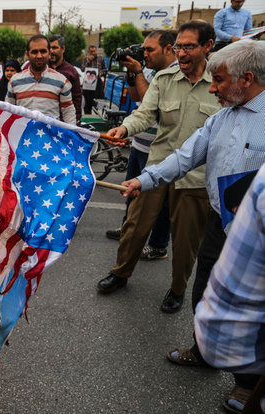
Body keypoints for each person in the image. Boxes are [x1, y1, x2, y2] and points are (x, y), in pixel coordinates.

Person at [119, 39, 265, 414]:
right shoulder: (220, 118)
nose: (211, 87)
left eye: (218, 80)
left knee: (251, 310)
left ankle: (248, 384)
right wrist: (143, 180)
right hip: (220, 223)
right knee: (206, 291)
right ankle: (204, 350)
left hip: (258, 236)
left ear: (246, 79)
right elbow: (184, 157)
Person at [96, 20, 221, 314]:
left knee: (186, 240)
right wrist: (124, 129)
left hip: (195, 179)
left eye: (188, 46)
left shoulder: (220, 82)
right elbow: (144, 114)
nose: (181, 53)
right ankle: (120, 273)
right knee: (134, 227)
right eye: (178, 46)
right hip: (155, 170)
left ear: (208, 46)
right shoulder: (164, 79)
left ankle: (177, 289)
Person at [195, 166, 265, 414]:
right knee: (203, 275)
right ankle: (199, 354)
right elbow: (192, 150)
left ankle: (246, 383)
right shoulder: (216, 124)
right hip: (219, 215)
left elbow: (222, 330)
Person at [105, 30, 177, 262]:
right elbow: (137, 98)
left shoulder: (174, 75)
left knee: (160, 201)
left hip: (159, 147)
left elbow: (152, 105)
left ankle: (158, 245)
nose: (144, 54)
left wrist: (137, 71)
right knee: (131, 192)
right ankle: (128, 228)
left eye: (149, 50)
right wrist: (132, 72)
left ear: (168, 49)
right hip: (140, 143)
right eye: (143, 49)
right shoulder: (148, 70)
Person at [6, 35, 76, 124]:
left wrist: (72, 134)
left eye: (43, 51)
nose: (39, 56)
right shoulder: (14, 81)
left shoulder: (61, 81)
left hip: (51, 136)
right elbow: (8, 111)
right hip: (23, 136)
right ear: (27, 54)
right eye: (34, 52)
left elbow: (68, 112)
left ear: (49, 53)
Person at [48, 34, 82, 122]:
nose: (51, 51)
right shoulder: (42, 69)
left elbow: (77, 98)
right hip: (45, 121)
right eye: (49, 48)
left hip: (64, 123)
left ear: (63, 49)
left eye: (55, 47)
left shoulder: (71, 72)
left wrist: (76, 121)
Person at [80, 45, 107, 115]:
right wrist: (88, 61)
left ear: (96, 51)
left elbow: (105, 69)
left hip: (97, 82)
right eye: (91, 51)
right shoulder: (86, 59)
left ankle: (97, 116)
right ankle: (87, 117)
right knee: (87, 102)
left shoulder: (101, 58)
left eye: (94, 51)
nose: (93, 53)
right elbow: (82, 69)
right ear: (89, 52)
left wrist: (101, 73)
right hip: (88, 83)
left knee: (98, 101)